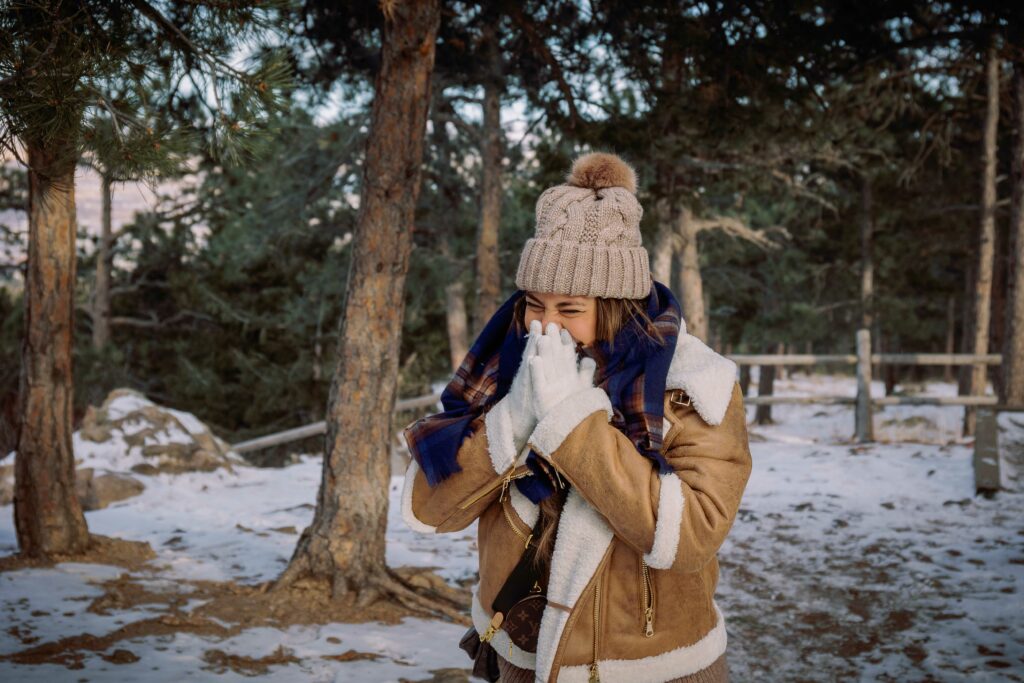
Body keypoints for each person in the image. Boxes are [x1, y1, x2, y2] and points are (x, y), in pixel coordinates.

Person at [401, 151, 752, 683]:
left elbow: (692, 537)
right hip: (520, 652)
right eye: (534, 305)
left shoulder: (695, 387)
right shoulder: (507, 371)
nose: (546, 327)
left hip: (653, 668)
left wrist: (572, 421)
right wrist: (516, 415)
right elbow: (434, 508)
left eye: (569, 309)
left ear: (614, 305)